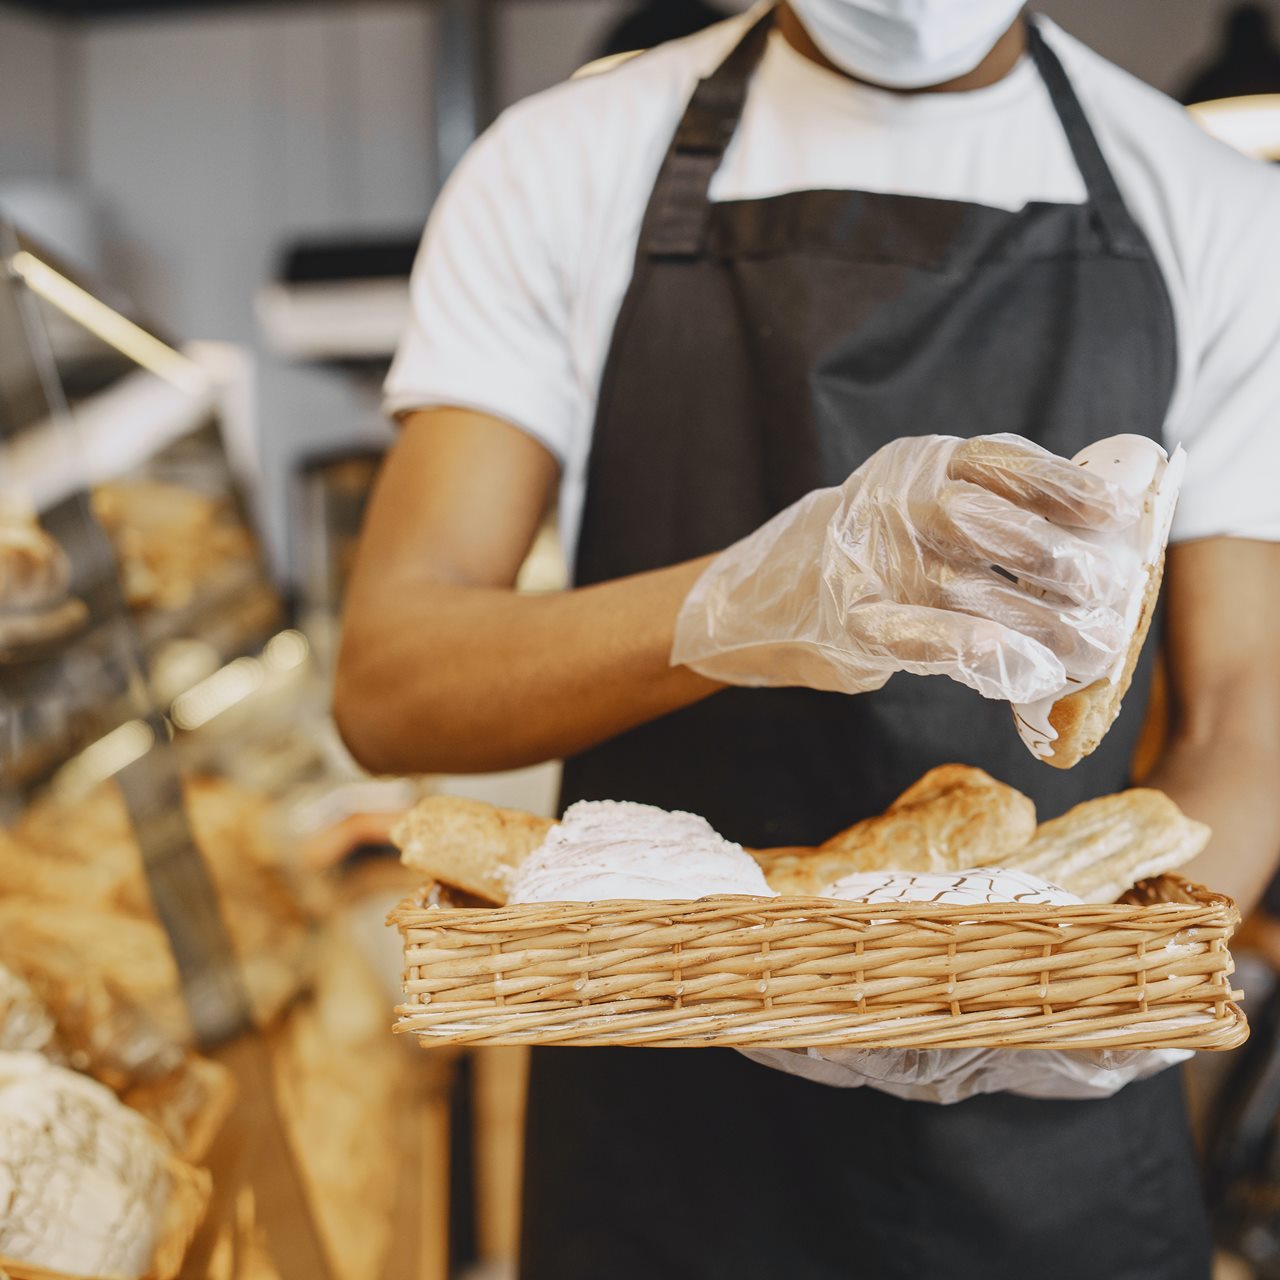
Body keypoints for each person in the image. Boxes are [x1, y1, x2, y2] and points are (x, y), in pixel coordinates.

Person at [335, 1, 1280, 1275]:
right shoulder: (562, 163)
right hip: (663, 1114)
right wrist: (740, 601)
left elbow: (1244, 714)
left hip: (1050, 1156)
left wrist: (1096, 998)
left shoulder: (1213, 207)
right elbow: (391, 684)